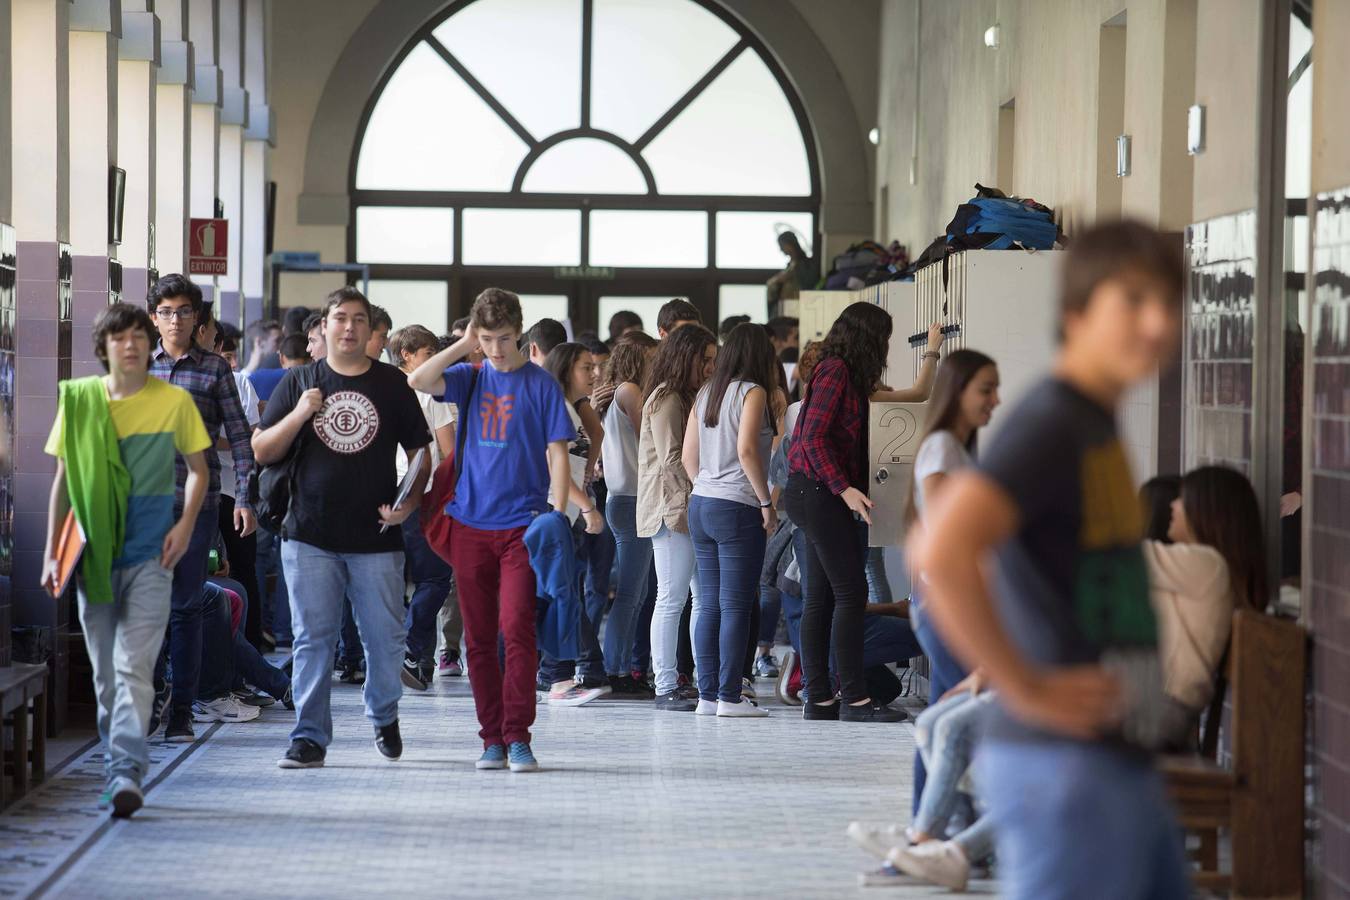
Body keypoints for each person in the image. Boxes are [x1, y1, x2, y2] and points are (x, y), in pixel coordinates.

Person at [906, 220, 1189, 900]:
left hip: (1117, 758)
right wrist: (1024, 686)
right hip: (1063, 765)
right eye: (1133, 301)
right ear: (1077, 314)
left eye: (1169, 304)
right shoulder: (1051, 422)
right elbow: (940, 549)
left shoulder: (1096, 422)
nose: (1156, 324)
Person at [42, 303, 210, 818]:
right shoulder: (80, 401)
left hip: (151, 553)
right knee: (105, 678)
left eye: (139, 335)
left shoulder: (174, 401)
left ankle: (125, 773)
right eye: (120, 337)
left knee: (134, 668)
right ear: (105, 347)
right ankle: (119, 760)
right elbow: (65, 482)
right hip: (93, 554)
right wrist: (52, 550)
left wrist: (184, 527)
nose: (132, 344)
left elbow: (199, 471)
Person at [253, 286, 432, 769]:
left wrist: (409, 503)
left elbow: (421, 454)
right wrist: (301, 412)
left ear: (371, 330)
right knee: (313, 639)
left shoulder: (393, 384)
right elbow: (264, 450)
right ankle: (309, 737)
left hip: (376, 536)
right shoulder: (300, 383)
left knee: (385, 638)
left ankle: (383, 712)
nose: (348, 327)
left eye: (358, 319)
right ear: (324, 328)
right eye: (340, 319)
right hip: (308, 533)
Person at [408, 287, 580, 773]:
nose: (497, 349)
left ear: (520, 334)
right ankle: (491, 739)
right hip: (469, 525)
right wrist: (465, 346)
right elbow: (419, 379)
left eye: (504, 338)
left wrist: (555, 513)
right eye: (487, 339)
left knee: (517, 629)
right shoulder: (470, 375)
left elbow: (559, 455)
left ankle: (518, 735)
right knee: (479, 639)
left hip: (522, 528)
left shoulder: (542, 385)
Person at [784, 305, 942, 723]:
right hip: (819, 492)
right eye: (885, 339)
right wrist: (845, 488)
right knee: (849, 595)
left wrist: (933, 351)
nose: (887, 347)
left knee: (820, 598)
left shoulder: (850, 378)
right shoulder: (835, 372)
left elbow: (915, 396)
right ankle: (854, 700)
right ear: (868, 339)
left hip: (812, 492)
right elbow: (813, 438)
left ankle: (818, 699)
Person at [148, 274, 257, 743]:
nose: (176, 320)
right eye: (167, 312)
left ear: (197, 318)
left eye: (185, 311)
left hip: (197, 507)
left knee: (186, 608)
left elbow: (240, 438)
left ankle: (182, 714)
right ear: (154, 318)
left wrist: (248, 498)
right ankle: (151, 697)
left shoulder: (215, 371)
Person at [901, 349, 1000, 802]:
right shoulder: (942, 448)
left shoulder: (957, 448)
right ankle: (936, 829)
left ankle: (931, 826)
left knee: (944, 714)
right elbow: (944, 533)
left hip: (948, 598)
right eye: (986, 389)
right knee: (957, 714)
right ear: (956, 392)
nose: (995, 400)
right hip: (945, 601)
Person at [683, 322, 780, 717]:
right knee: (736, 605)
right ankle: (729, 696)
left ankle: (707, 696)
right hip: (737, 508)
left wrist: (708, 484)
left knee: (708, 604)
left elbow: (688, 455)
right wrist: (764, 503)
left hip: (701, 503)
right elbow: (746, 451)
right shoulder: (752, 392)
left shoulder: (708, 392)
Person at [1148, 465, 1267, 736]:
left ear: (1202, 511)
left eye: (1181, 499)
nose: (1173, 505)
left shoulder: (1206, 564)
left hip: (1162, 710)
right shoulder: (1203, 565)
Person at [639, 324, 718, 710]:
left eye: (712, 360)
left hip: (688, 506)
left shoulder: (687, 396)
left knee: (700, 598)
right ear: (684, 357)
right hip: (672, 509)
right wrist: (706, 486)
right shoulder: (667, 398)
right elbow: (672, 459)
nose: (709, 367)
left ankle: (702, 680)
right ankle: (665, 684)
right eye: (704, 359)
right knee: (671, 598)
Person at [388, 325, 459, 690]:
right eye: (429, 352)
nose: (434, 359)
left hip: (386, 492)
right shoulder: (433, 391)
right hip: (425, 493)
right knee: (435, 578)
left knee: (389, 580)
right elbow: (448, 451)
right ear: (408, 354)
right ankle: (413, 650)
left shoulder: (382, 388)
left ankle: (419, 665)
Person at [539, 342, 610, 705]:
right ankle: (558, 679)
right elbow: (556, 470)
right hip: (556, 513)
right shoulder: (557, 408)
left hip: (565, 512)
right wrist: (586, 506)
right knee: (559, 596)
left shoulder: (572, 407)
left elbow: (594, 439)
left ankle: (562, 674)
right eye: (586, 368)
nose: (594, 374)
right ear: (566, 369)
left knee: (562, 595)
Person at [596, 331, 660, 697]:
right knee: (631, 594)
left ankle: (620, 668)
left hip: (626, 497)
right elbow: (649, 436)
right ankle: (615, 670)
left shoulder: (615, 393)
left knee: (636, 593)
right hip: (632, 498)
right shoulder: (630, 391)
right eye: (651, 356)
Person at [766, 232, 818, 303]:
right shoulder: (790, 265)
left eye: (782, 245)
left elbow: (808, 284)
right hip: (785, 304)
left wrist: (793, 275)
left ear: (789, 244)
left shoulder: (805, 264)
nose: (781, 249)